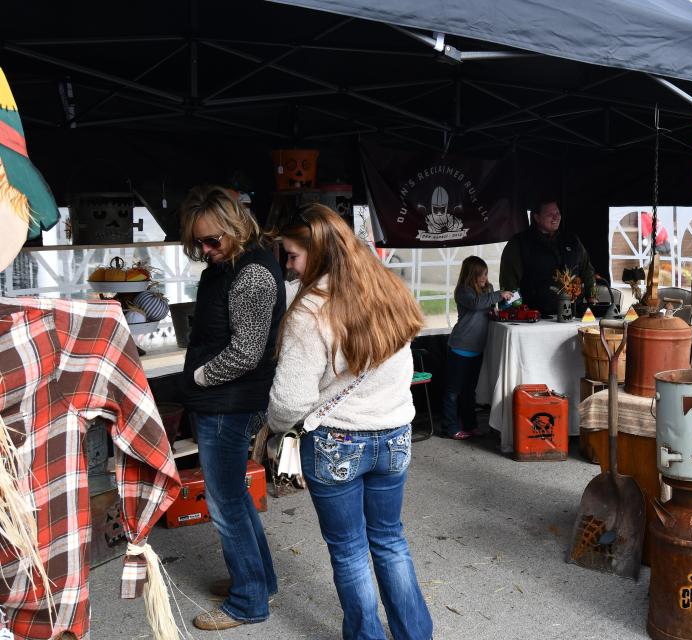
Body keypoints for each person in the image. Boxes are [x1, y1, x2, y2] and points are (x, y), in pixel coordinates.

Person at [267, 204, 434, 640]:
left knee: (349, 551)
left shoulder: (311, 310)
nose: (289, 265)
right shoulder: (388, 289)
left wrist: (271, 426)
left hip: (337, 441)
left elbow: (289, 401)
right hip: (395, 435)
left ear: (318, 251)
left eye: (293, 255)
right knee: (390, 540)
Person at [179, 185, 283, 631]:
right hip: (221, 402)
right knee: (235, 497)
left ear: (237, 227)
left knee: (224, 504)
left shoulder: (254, 274)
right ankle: (259, 581)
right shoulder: (228, 266)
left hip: (229, 404)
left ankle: (247, 602)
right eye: (197, 243)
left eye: (212, 241)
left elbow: (246, 352)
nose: (205, 250)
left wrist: (198, 378)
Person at [444, 256, 512, 440]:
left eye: (486, 274)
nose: (484, 278)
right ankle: (450, 427)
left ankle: (470, 425)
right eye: (480, 275)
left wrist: (500, 306)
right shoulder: (463, 291)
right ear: (470, 275)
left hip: (477, 348)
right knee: (453, 391)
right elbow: (476, 304)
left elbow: (489, 308)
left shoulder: (487, 290)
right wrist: (498, 294)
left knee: (469, 391)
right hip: (460, 346)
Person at [499, 198, 597, 313]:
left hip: (573, 313)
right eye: (550, 214)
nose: (556, 217)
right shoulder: (520, 243)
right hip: (536, 316)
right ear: (537, 217)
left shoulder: (573, 240)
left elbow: (587, 270)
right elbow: (509, 281)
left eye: (557, 213)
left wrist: (592, 296)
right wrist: (514, 309)